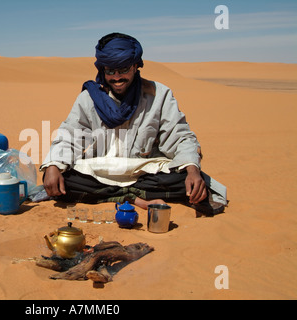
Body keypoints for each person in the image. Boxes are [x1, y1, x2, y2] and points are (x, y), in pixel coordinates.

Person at [40, 32, 227, 214]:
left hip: (144, 172)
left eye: (124, 70)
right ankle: (135, 198)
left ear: (136, 66)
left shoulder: (159, 95)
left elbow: (179, 136)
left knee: (187, 177)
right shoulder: (89, 98)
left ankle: (119, 196)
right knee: (61, 177)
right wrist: (54, 165)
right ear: (102, 69)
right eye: (110, 71)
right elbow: (70, 136)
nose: (117, 77)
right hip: (102, 173)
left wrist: (192, 169)